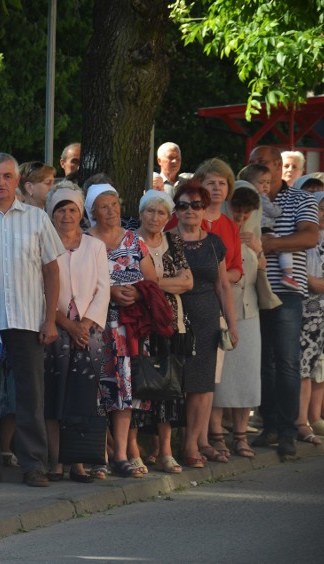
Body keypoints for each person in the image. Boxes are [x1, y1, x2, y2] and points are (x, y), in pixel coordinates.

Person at [0, 153, 65, 488]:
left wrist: (50, 320)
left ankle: (34, 464)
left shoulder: (36, 220)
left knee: (31, 396)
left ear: (17, 180)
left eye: (7, 176)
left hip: (28, 319)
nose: (1, 183)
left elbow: (52, 272)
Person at [248, 145, 318, 458]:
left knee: (288, 361)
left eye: (261, 163)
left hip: (287, 291)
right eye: (252, 164)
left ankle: (289, 431)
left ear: (278, 166)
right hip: (253, 288)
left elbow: (309, 236)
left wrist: (272, 244)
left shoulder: (301, 198)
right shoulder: (248, 196)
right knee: (263, 361)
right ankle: (270, 426)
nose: (257, 168)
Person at [84, 184, 158, 478]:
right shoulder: (86, 241)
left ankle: (122, 454)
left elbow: (152, 281)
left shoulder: (134, 240)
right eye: (104, 206)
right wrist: (111, 293)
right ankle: (98, 454)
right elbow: (77, 283)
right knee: (100, 391)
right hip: (98, 326)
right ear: (93, 212)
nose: (112, 211)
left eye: (115, 204)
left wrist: (137, 295)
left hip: (129, 328)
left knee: (125, 391)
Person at [43, 188, 109, 483]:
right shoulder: (43, 245)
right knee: (55, 395)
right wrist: (66, 325)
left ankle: (79, 461)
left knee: (83, 397)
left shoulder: (95, 246)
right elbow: (41, 290)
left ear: (81, 213)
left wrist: (86, 323)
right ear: (52, 213)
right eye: (60, 210)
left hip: (88, 332)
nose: (66, 216)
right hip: (55, 328)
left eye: (72, 210)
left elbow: (102, 288)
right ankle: (56, 459)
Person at [171, 181, 238, 467]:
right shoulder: (166, 239)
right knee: (175, 383)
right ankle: (170, 444)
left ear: (204, 209)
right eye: (184, 205)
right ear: (176, 209)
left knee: (201, 385)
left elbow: (223, 286)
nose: (190, 211)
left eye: (196, 205)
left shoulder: (213, 242)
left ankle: (193, 444)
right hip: (175, 319)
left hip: (208, 317)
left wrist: (232, 325)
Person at [136, 190, 192, 473]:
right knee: (141, 386)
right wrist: (167, 282)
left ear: (168, 217)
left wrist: (152, 283)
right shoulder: (131, 241)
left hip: (172, 322)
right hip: (141, 323)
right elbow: (136, 284)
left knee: (169, 387)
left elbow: (188, 282)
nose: (155, 217)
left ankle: (166, 450)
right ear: (141, 213)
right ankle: (139, 449)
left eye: (161, 213)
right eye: (150, 211)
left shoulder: (174, 241)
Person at [213, 182, 264, 458]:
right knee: (220, 377)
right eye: (237, 209)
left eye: (247, 212)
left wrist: (260, 251)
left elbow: (259, 276)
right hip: (222, 309)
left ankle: (241, 435)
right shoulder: (219, 228)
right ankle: (217, 434)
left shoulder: (252, 235)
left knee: (245, 376)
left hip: (250, 310)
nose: (241, 216)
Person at [296, 192, 324, 442]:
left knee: (310, 367)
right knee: (289, 365)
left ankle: (305, 420)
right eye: (322, 209)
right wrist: (314, 282)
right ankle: (287, 421)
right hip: (292, 308)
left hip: (319, 315)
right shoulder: (298, 236)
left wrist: (322, 283)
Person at [238, 164, 297, 289]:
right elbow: (274, 212)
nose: (265, 186)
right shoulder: (261, 197)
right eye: (261, 182)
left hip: (256, 230)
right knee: (284, 249)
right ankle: (288, 275)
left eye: (268, 182)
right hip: (264, 229)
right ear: (249, 183)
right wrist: (279, 208)